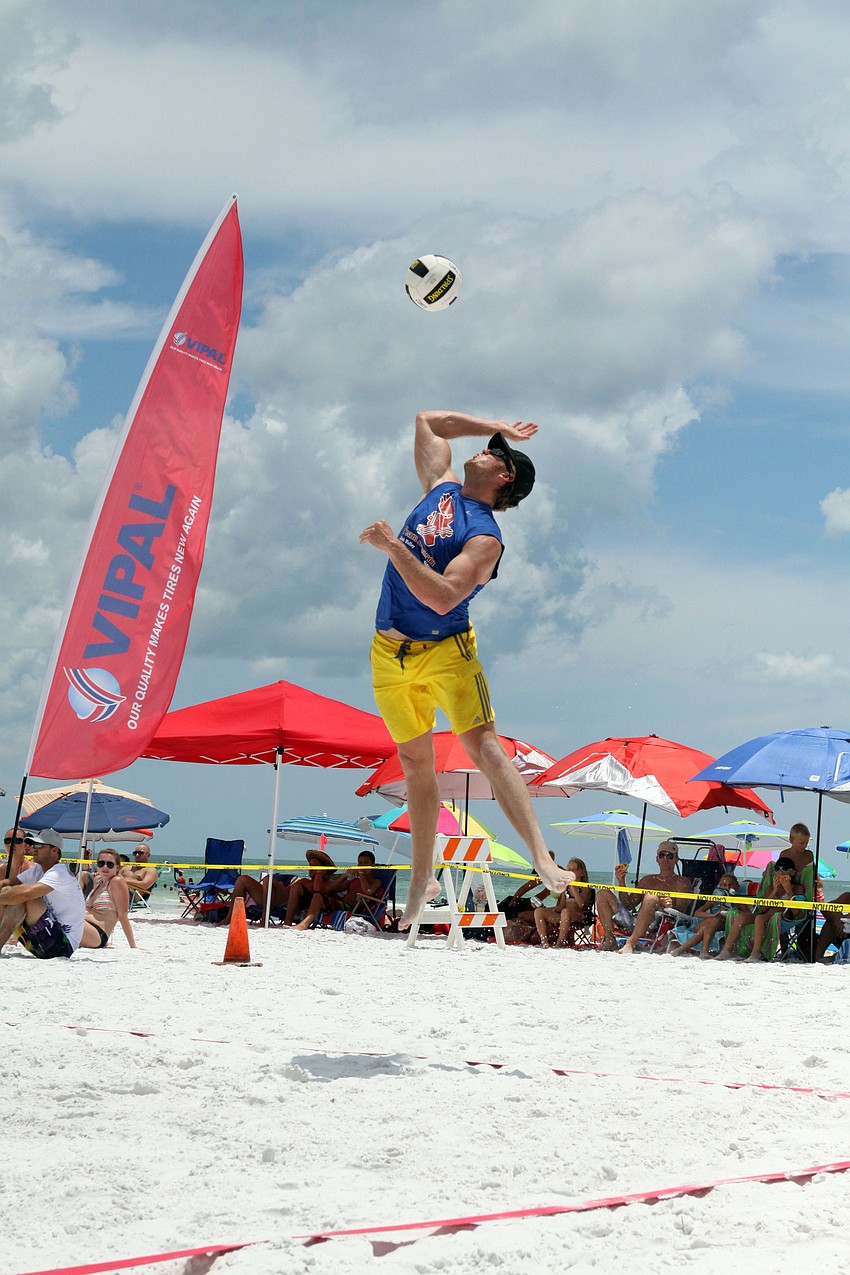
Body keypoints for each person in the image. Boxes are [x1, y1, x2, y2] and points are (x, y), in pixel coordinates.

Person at [360, 409, 572, 927]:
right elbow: (429, 421)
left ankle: (542, 857)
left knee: (486, 748)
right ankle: (420, 877)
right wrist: (497, 425)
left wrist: (393, 548)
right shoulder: (442, 487)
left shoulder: (485, 538)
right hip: (389, 654)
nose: (484, 450)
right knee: (414, 765)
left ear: (505, 478)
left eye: (495, 453)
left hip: (447, 650)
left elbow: (442, 596)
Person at [0, 830, 85, 959]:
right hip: (41, 939)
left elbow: (24, 894)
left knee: (23, 897)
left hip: (63, 945)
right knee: (9, 892)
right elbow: (7, 883)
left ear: (55, 851)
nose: (34, 849)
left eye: (39, 845)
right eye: (33, 845)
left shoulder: (59, 873)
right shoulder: (38, 870)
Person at [595, 841, 693, 953]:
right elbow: (628, 904)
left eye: (670, 856)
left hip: (660, 923)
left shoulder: (682, 882)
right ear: (657, 859)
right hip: (637, 921)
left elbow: (683, 911)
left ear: (676, 860)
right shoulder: (647, 880)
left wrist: (671, 905)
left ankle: (631, 943)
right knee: (603, 893)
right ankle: (610, 940)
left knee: (651, 897)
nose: (665, 858)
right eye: (662, 855)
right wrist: (622, 881)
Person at [718, 855, 809, 962]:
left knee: (761, 918)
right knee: (741, 917)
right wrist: (774, 890)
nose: (780, 872)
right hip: (767, 914)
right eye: (777, 869)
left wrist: (789, 891)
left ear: (792, 872)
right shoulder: (770, 887)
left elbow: (796, 911)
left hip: (784, 916)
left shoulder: (797, 888)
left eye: (784, 869)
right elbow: (763, 908)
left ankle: (755, 953)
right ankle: (727, 950)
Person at [293, 849, 385, 931]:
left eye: (366, 863)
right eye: (360, 863)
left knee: (318, 897)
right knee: (317, 895)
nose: (362, 865)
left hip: (351, 908)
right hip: (341, 904)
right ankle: (300, 922)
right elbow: (331, 890)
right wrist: (344, 876)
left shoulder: (376, 881)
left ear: (372, 865)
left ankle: (304, 925)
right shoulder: (354, 881)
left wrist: (361, 874)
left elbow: (368, 891)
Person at [670, 873, 741, 958]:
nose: (727, 888)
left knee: (710, 925)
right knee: (714, 920)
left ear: (737, 886)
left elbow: (746, 914)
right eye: (724, 885)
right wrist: (713, 915)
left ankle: (685, 949)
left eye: (730, 885)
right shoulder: (715, 899)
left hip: (723, 924)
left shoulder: (739, 900)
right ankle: (701, 951)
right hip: (709, 922)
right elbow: (697, 913)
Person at [80, 850, 137, 949]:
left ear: (117, 867)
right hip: (86, 927)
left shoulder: (117, 882)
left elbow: (123, 916)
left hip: (97, 933)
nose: (105, 867)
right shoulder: (98, 881)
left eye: (110, 864)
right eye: (101, 863)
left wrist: (133, 946)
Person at [534, 858, 594, 948]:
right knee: (539, 911)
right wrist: (546, 909)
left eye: (573, 870)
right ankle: (544, 941)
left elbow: (582, 905)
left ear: (582, 873)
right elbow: (561, 906)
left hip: (579, 917)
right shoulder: (566, 887)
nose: (570, 872)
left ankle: (560, 942)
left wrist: (573, 887)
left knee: (566, 912)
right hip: (564, 916)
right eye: (568, 870)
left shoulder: (585, 887)